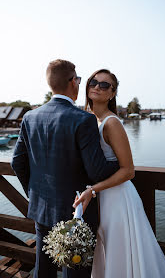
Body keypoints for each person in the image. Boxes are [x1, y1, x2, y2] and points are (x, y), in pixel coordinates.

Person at [11, 60, 120, 278]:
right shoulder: (83, 119)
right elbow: (97, 171)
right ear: (73, 82)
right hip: (75, 212)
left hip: (42, 209)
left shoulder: (30, 117)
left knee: (44, 270)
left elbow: (17, 163)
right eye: (79, 80)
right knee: (76, 273)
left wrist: (35, 196)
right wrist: (119, 162)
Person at [74, 69, 165, 278]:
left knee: (119, 254)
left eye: (104, 85)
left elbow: (128, 171)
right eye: (93, 81)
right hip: (98, 198)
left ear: (112, 94)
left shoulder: (112, 123)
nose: (96, 86)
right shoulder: (89, 119)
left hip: (118, 200)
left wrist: (93, 190)